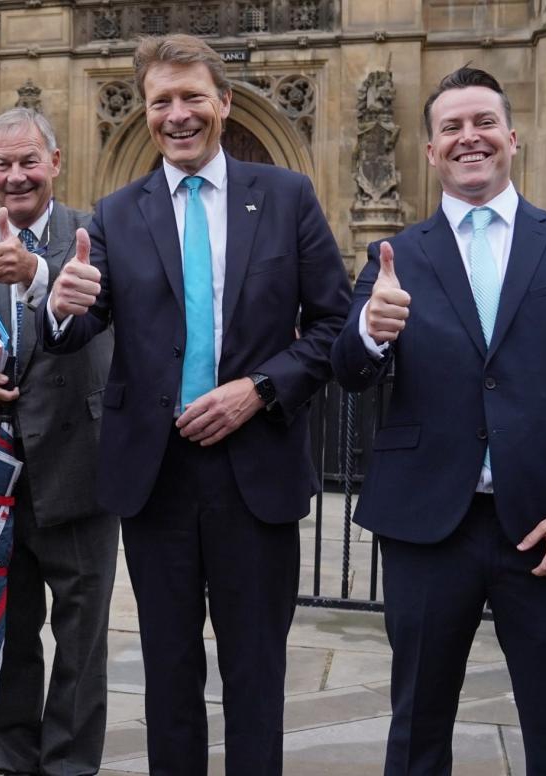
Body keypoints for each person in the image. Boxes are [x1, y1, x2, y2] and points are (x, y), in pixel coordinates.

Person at [44, 33, 351, 776]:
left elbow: (336, 326)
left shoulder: (286, 196)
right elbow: (82, 323)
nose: (176, 115)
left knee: (255, 674)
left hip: (257, 470)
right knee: (169, 673)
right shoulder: (116, 213)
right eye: (161, 102)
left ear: (224, 102)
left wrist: (260, 389)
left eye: (191, 98)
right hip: (157, 480)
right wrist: (57, 305)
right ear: (146, 111)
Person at [331, 66, 546, 775]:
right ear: (431, 150)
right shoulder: (395, 257)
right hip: (427, 526)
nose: (470, 137)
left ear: (512, 137)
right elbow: (349, 372)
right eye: (452, 128)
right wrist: (371, 331)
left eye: (483, 123)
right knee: (417, 731)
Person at [0, 107, 117, 776]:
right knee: (8, 637)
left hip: (82, 473)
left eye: (29, 162)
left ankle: (71, 767)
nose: (17, 177)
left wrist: (42, 278)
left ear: (56, 164)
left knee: (81, 642)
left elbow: (108, 328)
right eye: (3, 164)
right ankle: (16, 764)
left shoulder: (93, 237)